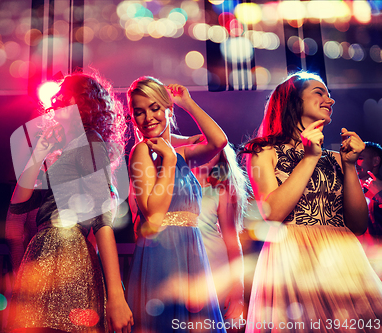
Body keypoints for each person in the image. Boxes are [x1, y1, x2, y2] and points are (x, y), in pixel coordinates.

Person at [241, 71, 382, 332]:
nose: (330, 100)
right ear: (292, 101)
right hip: (293, 258)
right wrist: (309, 158)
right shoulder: (263, 151)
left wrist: (350, 165)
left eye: (329, 94)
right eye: (319, 92)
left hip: (342, 258)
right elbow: (272, 214)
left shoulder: (338, 157)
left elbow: (359, 225)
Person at [7, 72, 133, 333]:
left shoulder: (89, 142)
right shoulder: (67, 150)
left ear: (85, 102)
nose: (58, 99)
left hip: (66, 249)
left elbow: (102, 221)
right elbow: (19, 204)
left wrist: (116, 296)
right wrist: (40, 151)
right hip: (45, 249)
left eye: (66, 94)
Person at [125, 76, 228, 332]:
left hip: (191, 250)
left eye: (155, 108)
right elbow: (153, 213)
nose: (148, 117)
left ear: (168, 110)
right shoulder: (142, 152)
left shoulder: (179, 152)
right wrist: (169, 161)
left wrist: (188, 103)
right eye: (139, 112)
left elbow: (218, 142)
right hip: (163, 252)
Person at [192, 143, 249, 331]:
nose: (208, 154)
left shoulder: (219, 192)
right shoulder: (173, 186)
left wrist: (237, 292)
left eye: (214, 151)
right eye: (203, 147)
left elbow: (233, 244)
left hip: (216, 269)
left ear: (220, 158)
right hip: (183, 268)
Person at [356, 141, 382, 277]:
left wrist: (379, 194)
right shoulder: (348, 188)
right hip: (356, 259)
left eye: (360, 157)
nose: (355, 161)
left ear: (376, 161)